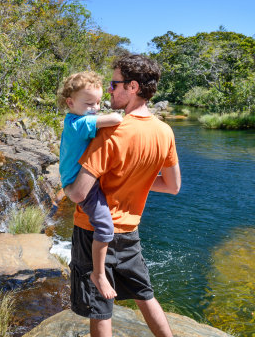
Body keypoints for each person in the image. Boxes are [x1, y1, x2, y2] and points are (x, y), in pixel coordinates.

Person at [64, 55, 182, 337]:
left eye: (114, 84)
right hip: (129, 231)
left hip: (92, 231)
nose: (110, 89)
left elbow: (80, 193)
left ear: (132, 87)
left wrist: (65, 188)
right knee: (144, 294)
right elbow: (172, 186)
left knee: (100, 307)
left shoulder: (111, 132)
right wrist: (136, 178)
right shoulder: (164, 131)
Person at [57, 71, 123, 299]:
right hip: (79, 182)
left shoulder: (74, 119)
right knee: (105, 227)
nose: (95, 108)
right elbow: (116, 119)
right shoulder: (79, 124)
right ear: (70, 102)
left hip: (74, 178)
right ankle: (99, 274)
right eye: (89, 103)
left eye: (97, 102)